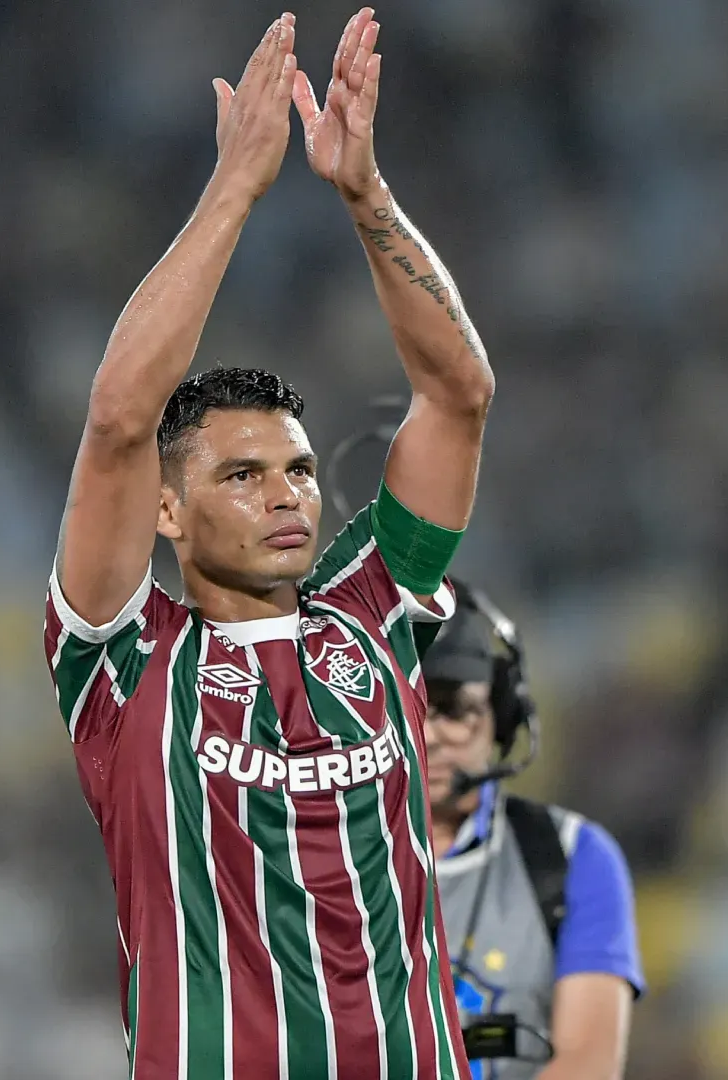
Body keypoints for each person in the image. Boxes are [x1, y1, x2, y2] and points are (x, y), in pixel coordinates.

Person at [42, 9, 495, 1079]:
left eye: (295, 470)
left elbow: (458, 393)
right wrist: (236, 188)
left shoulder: (374, 609)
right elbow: (116, 421)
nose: (288, 495)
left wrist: (364, 193)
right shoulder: (123, 660)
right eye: (240, 477)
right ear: (167, 512)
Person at [422, 584, 643, 1080]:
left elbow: (588, 1063)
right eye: (408, 710)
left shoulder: (569, 857)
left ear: (502, 717)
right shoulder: (304, 858)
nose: (429, 736)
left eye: (453, 709)